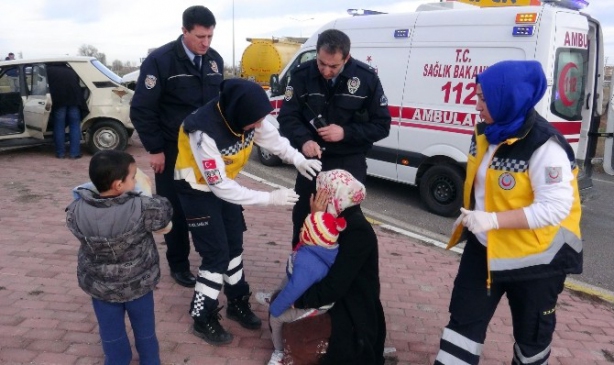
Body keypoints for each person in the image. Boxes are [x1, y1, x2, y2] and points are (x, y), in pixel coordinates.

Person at [434, 60, 583, 365]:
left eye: (483, 99)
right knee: (461, 329)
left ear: (508, 99)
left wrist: (492, 219)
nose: (476, 106)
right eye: (476, 96)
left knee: (531, 344)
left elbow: (555, 208)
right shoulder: (485, 132)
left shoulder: (546, 146)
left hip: (537, 261)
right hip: (485, 251)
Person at [173, 78, 322, 345]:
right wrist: (270, 198)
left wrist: (298, 159)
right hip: (196, 190)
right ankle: (202, 316)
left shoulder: (249, 117)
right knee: (215, 256)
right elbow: (219, 186)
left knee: (234, 247)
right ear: (238, 114)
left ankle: (237, 302)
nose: (259, 125)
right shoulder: (202, 130)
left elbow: (274, 141)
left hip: (225, 186)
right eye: (254, 121)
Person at [130, 5, 224, 288]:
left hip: (205, 150)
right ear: (184, 31)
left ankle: (212, 257)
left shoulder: (214, 61)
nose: (205, 43)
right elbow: (142, 109)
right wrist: (155, 149)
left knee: (210, 202)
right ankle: (179, 263)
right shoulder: (160, 61)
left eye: (209, 36)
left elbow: (220, 105)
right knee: (174, 208)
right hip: (171, 149)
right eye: (199, 36)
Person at [277, 28, 391, 248]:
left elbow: (382, 125)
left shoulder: (366, 78)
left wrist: (345, 133)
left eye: (333, 66)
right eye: (321, 63)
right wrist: (304, 141)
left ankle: (337, 280)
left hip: (348, 163)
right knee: (303, 217)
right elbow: (287, 117)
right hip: (312, 163)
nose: (326, 71)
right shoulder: (302, 75)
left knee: (344, 222)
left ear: (346, 58)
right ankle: (299, 275)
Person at [65, 150, 173, 365]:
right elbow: (164, 214)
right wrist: (147, 191)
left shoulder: (75, 210)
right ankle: (150, 361)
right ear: (118, 185)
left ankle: (117, 360)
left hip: (100, 287)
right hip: (139, 284)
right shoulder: (142, 207)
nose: (135, 181)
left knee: (110, 333)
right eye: (132, 177)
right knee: (145, 332)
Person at [286, 169, 386, 365]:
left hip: (351, 308)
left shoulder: (357, 231)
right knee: (281, 304)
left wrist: (299, 300)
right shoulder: (335, 219)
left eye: (322, 193)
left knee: (293, 325)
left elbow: (335, 285)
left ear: (334, 196)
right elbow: (306, 257)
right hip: (334, 295)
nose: (315, 198)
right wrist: (316, 219)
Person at [267, 204, 348, 365]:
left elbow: (295, 289)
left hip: (314, 306)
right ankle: (273, 297)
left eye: (305, 228)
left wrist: (275, 307)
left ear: (312, 236)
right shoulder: (326, 248)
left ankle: (279, 352)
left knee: (276, 317)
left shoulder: (307, 263)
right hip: (308, 287)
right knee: (287, 281)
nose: (301, 230)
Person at [46, 64, 87, 159]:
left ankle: (60, 153)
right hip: (74, 101)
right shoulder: (72, 70)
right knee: (75, 126)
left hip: (59, 101)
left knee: (59, 126)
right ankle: (74, 153)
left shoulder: (48, 70)